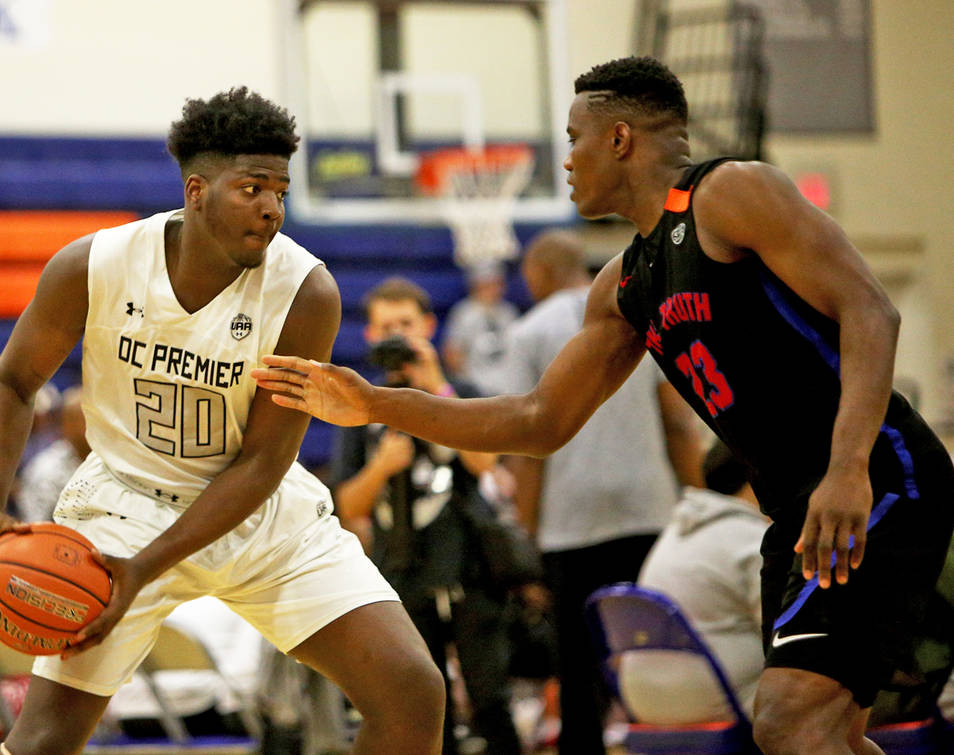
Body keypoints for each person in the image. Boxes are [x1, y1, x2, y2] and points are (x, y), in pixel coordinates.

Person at [253, 56, 954, 755]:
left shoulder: (730, 192)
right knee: (824, 731)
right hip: (798, 506)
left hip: (880, 479)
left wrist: (848, 466)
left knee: (789, 719)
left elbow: (871, 310)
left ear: (619, 139)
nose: (565, 161)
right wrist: (378, 401)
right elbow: (539, 420)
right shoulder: (627, 282)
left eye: (573, 138)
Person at [0, 87, 445, 755]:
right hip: (124, 507)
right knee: (43, 739)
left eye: (280, 190)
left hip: (252, 510)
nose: (272, 207)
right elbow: (11, 383)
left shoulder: (307, 292)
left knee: (412, 692)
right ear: (196, 190)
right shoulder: (93, 266)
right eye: (252, 187)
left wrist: (145, 569)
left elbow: (262, 463)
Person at [498, 228, 704, 754]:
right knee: (661, 648)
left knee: (576, 662)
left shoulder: (527, 333)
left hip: (571, 522)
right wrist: (702, 500)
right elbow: (678, 423)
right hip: (649, 509)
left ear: (537, 273)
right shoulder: (637, 321)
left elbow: (526, 441)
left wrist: (528, 525)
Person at [331, 277, 522, 755]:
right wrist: (381, 467)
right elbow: (348, 504)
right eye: (386, 327)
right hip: (402, 571)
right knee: (424, 702)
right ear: (371, 336)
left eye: (406, 324)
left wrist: (436, 384)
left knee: (490, 697)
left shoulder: (464, 390)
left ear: (429, 327)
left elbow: (484, 464)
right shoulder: (360, 405)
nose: (397, 335)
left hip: (470, 566)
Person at [623, 439, 769, 725]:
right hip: (721, 701)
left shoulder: (673, 532)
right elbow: (787, 634)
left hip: (641, 701)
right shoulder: (751, 538)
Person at [441, 260, 519, 395]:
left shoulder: (509, 312)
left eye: (496, 283)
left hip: (507, 387)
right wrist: (467, 383)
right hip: (475, 386)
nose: (492, 289)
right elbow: (452, 354)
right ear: (475, 285)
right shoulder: (464, 313)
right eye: (486, 284)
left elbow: (518, 351)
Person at [16, 386, 89, 522]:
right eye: (84, 418)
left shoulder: (118, 460)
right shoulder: (45, 469)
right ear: (66, 425)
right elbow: (36, 524)